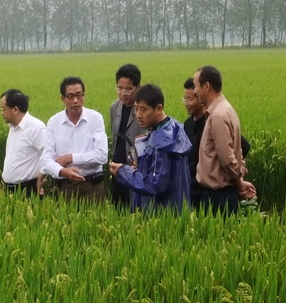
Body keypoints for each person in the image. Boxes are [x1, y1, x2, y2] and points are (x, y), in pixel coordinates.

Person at [109, 84, 192, 212]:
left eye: (143, 109)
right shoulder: (172, 127)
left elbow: (155, 184)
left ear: (158, 108)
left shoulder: (162, 143)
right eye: (136, 109)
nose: (138, 115)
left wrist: (123, 172)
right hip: (176, 205)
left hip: (162, 211)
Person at [192, 65, 256, 214]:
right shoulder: (225, 109)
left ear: (206, 86)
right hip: (221, 194)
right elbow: (237, 150)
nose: (194, 91)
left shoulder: (218, 116)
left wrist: (239, 182)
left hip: (218, 197)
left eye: (196, 86)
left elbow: (227, 158)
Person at [41, 76, 108, 202]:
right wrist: (62, 171)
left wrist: (70, 158)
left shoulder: (95, 119)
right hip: (65, 187)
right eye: (70, 96)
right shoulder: (54, 122)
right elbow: (46, 159)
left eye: (79, 95)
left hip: (93, 186)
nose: (76, 101)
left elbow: (102, 156)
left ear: (84, 96)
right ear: (63, 99)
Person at [182, 77, 250, 184]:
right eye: (184, 99)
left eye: (189, 99)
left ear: (200, 98)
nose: (186, 103)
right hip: (192, 184)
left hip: (211, 185)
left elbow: (243, 146)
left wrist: (229, 172)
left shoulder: (213, 120)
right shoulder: (187, 124)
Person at [109, 63, 147, 208]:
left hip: (135, 170)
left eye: (128, 89)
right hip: (117, 168)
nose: (123, 93)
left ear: (138, 88)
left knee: (134, 207)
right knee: (118, 207)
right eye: (120, 88)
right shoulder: (114, 107)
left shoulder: (144, 109)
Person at [0, 89, 46, 198]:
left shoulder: (36, 128)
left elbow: (50, 153)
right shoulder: (13, 127)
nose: (1, 113)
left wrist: (42, 177)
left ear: (15, 109)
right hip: (9, 190)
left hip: (28, 190)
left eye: (3, 109)